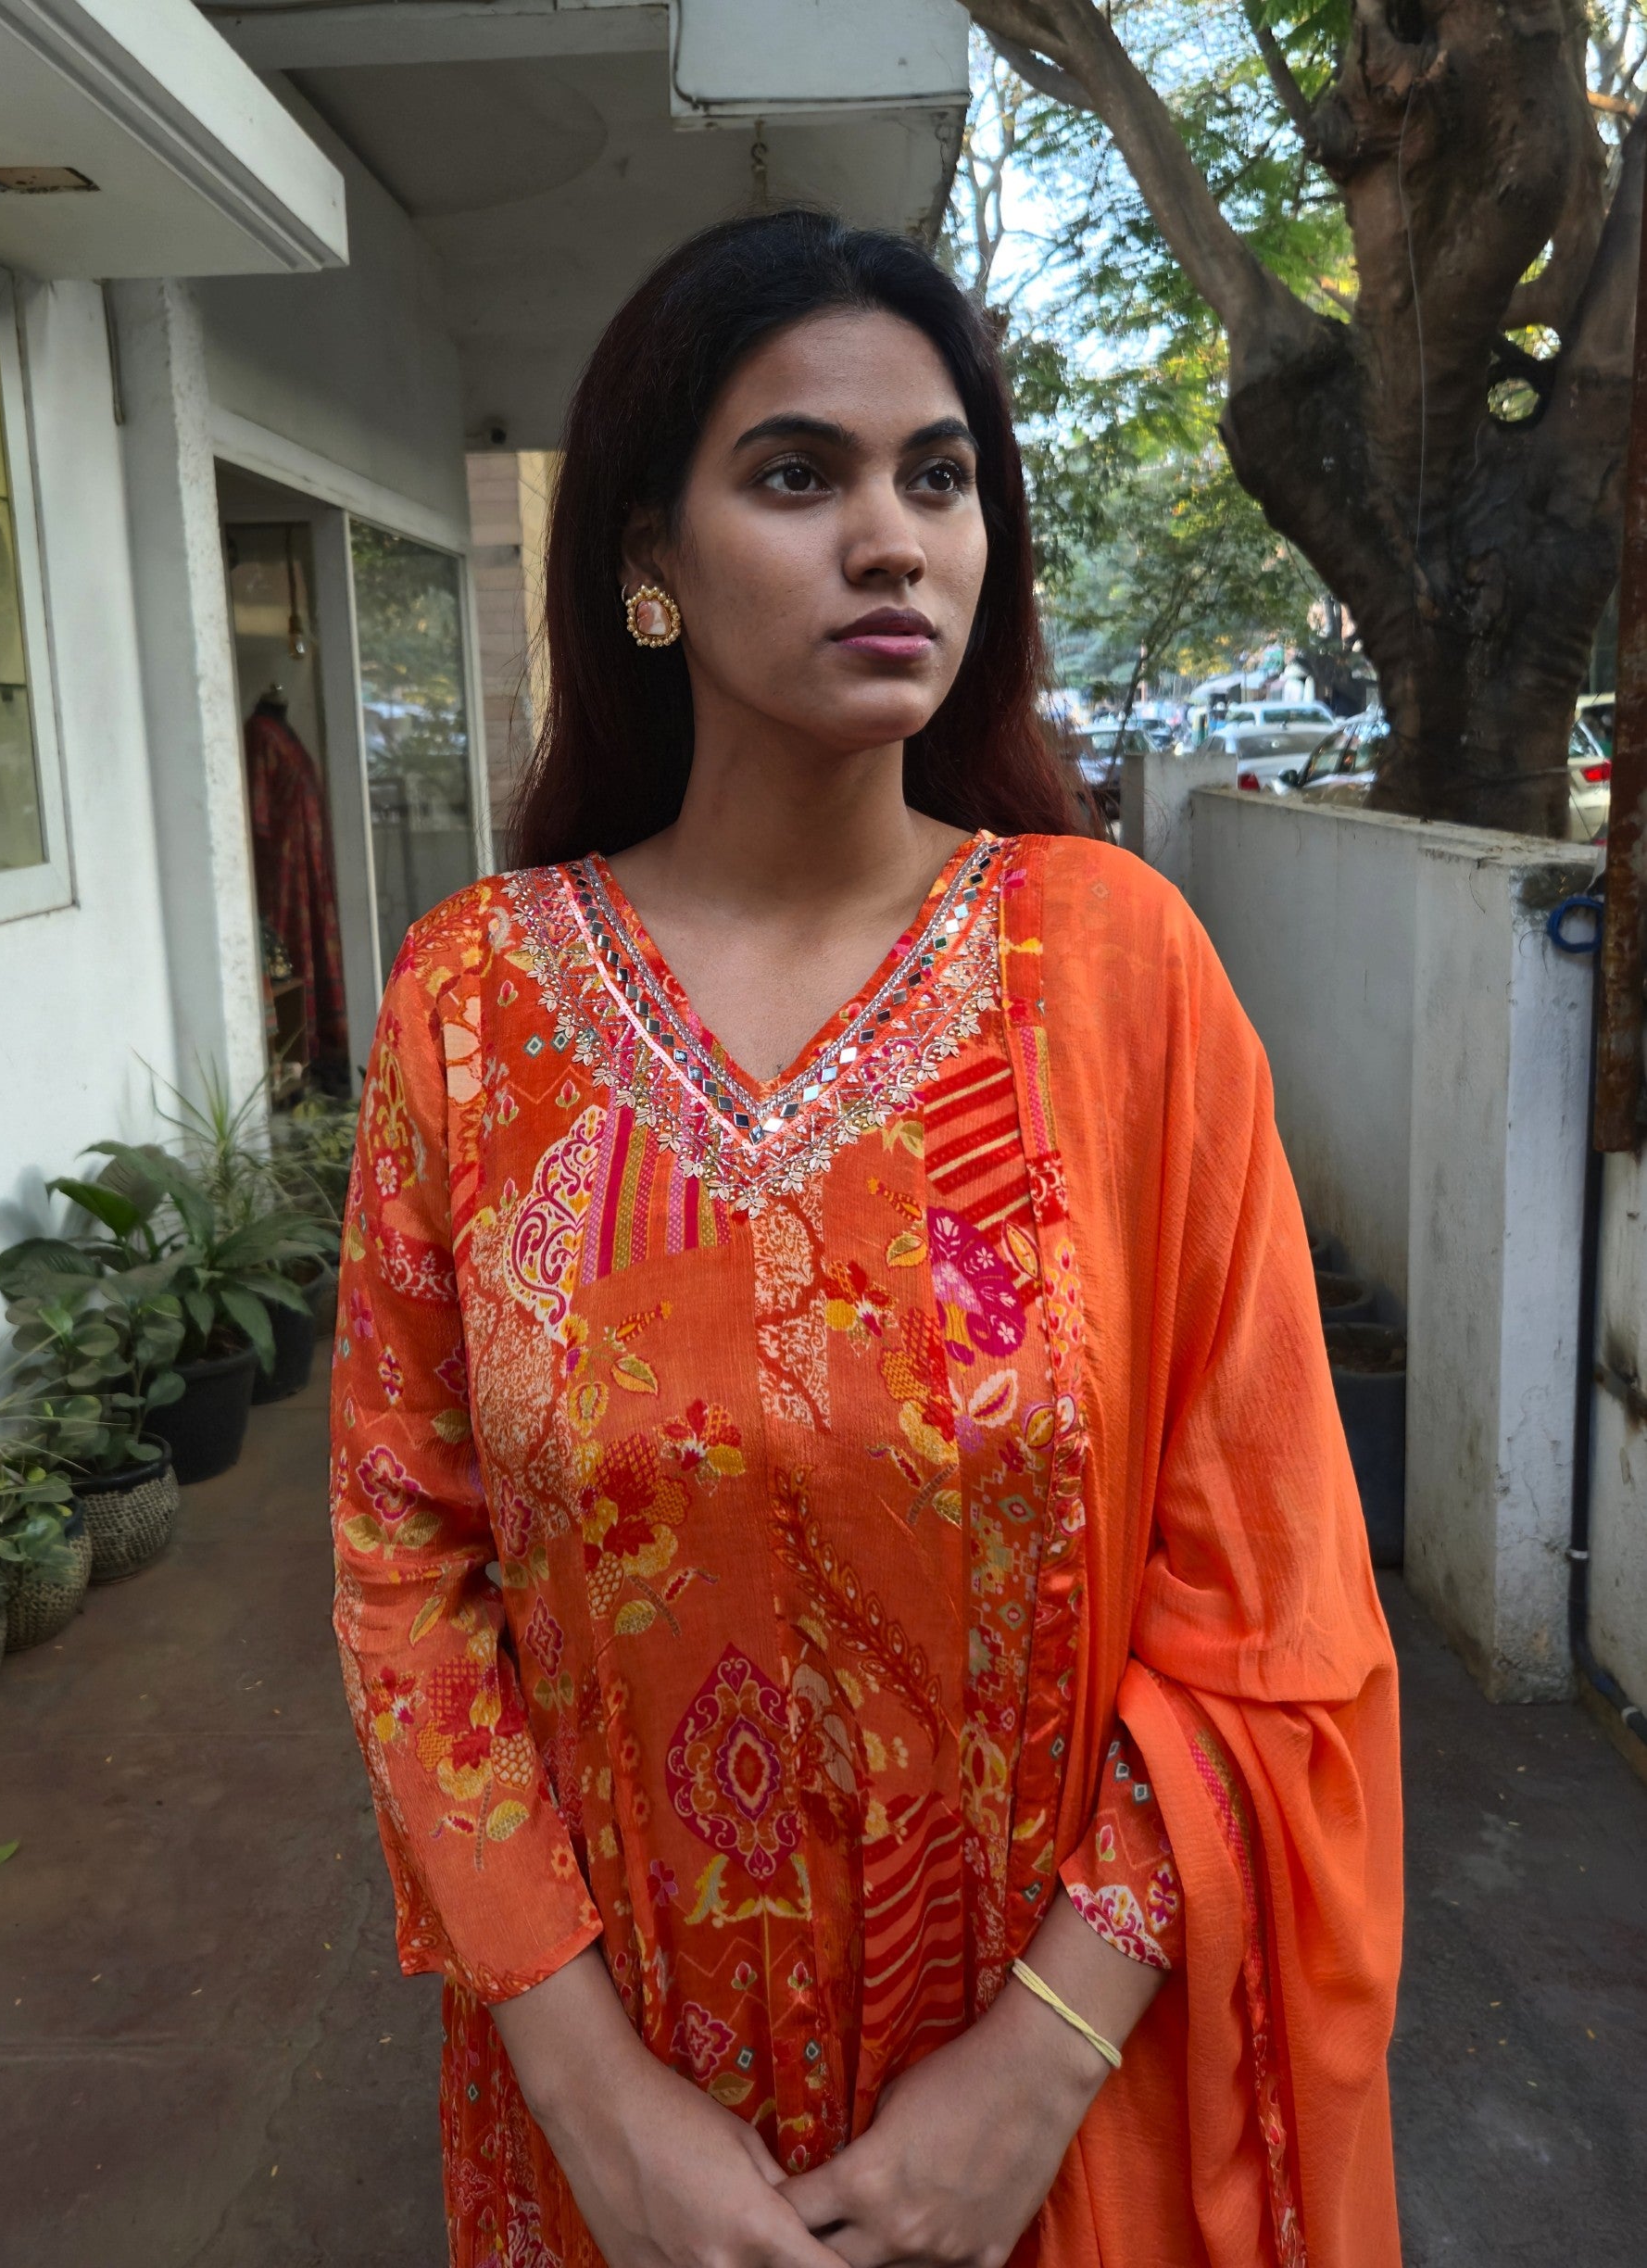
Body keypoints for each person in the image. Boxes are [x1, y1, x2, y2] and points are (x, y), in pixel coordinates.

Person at [329, 209, 1402, 2268]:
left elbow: (1267, 1588)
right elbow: (408, 1573)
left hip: (1052, 2143)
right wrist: (592, 2094)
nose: (894, 540)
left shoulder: (1118, 977)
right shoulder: (476, 1006)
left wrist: (1040, 2066)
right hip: (620, 2152)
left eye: (941, 476)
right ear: (646, 558)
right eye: (797, 473)